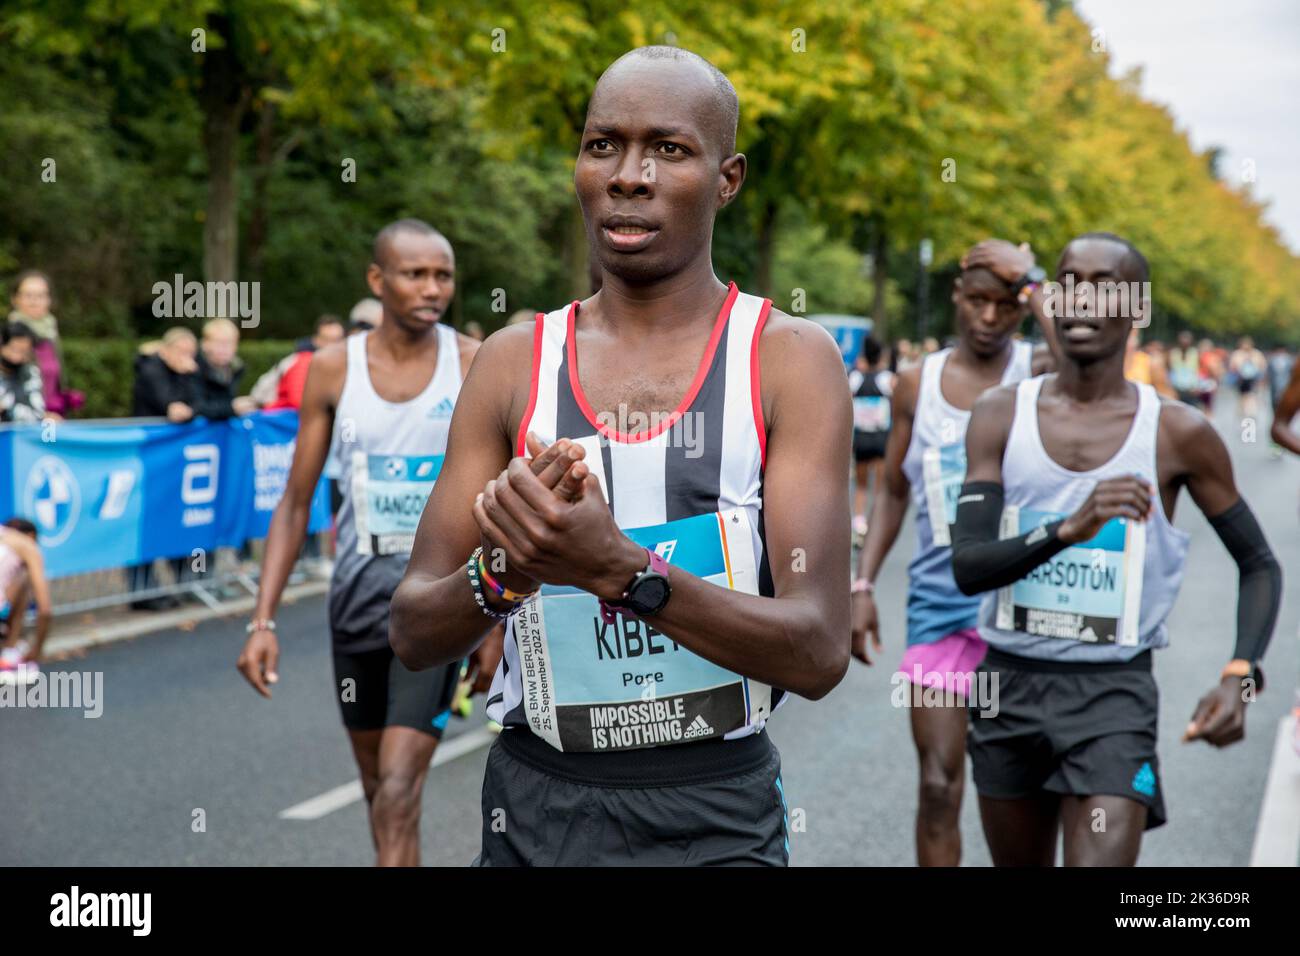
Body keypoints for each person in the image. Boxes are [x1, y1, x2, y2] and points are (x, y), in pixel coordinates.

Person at [389, 45, 851, 866]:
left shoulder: (787, 360)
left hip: (717, 814)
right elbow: (414, 630)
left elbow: (816, 652)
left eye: (668, 150)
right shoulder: (511, 361)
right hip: (538, 806)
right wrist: (505, 573)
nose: (628, 175)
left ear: (727, 178)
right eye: (604, 144)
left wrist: (619, 572)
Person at [950, 232, 1281, 866]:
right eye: (1070, 281)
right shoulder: (998, 415)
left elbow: (1259, 564)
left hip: (1112, 695)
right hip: (1008, 688)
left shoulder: (1177, 432)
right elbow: (969, 567)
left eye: (1106, 286)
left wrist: (1240, 676)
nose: (1082, 299)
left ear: (1137, 308)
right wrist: (1068, 529)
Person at [236, 219, 488, 867]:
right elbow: (296, 502)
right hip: (356, 604)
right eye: (415, 274)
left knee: (400, 790)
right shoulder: (331, 370)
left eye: (444, 275)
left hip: (437, 607)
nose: (433, 289)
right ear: (378, 281)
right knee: (378, 788)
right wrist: (262, 619)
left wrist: (496, 623)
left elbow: (499, 498)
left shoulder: (471, 364)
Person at [849, 237, 1055, 866]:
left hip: (1025, 614)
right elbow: (894, 487)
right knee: (939, 786)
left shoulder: (1040, 373)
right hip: (941, 609)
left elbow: (1085, 353)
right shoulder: (919, 383)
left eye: (1005, 305)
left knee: (1025, 796)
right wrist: (862, 585)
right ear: (956, 297)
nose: (989, 319)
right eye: (977, 302)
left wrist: (1035, 281)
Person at [7, 270, 83, 418]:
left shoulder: (51, 334)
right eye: (28, 295)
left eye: (40, 296)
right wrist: (41, 415)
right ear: (15, 299)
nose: (34, 301)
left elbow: (53, 383)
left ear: (49, 299)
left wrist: (65, 399)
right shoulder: (9, 337)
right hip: (21, 426)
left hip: (53, 421)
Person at [848, 335, 893, 544]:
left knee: (861, 485)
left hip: (861, 438)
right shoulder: (887, 378)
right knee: (879, 487)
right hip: (881, 438)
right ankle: (875, 525)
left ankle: (859, 525)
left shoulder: (855, 378)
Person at [251, 314, 346, 410]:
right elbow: (298, 402)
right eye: (328, 339)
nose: (333, 345)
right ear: (316, 340)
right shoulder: (303, 361)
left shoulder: (340, 362)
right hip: (281, 414)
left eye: (338, 340)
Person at [0, 518, 53, 686]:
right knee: (25, 577)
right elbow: (45, 610)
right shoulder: (27, 546)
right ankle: (8, 651)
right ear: (31, 536)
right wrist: (37, 649)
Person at [191, 318, 257, 420]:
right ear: (205, 344)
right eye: (219, 343)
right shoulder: (191, 367)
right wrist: (232, 408)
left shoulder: (236, 368)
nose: (225, 348)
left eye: (230, 343)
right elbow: (196, 407)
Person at [0, 322, 46, 423]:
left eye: (23, 351)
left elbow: (37, 413)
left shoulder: (30, 374)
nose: (16, 357)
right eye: (14, 349)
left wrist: (7, 409)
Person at [1229, 335, 1267, 421]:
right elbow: (1232, 367)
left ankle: (1250, 413)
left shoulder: (1256, 353)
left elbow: (1262, 366)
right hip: (1241, 379)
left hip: (1253, 379)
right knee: (1243, 396)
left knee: (1251, 395)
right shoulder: (1237, 354)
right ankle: (1244, 413)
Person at [1168, 331, 1200, 405]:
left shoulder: (1194, 353)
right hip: (1177, 388)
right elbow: (1171, 370)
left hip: (1190, 389)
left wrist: (1196, 386)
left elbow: (1195, 370)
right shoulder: (1174, 353)